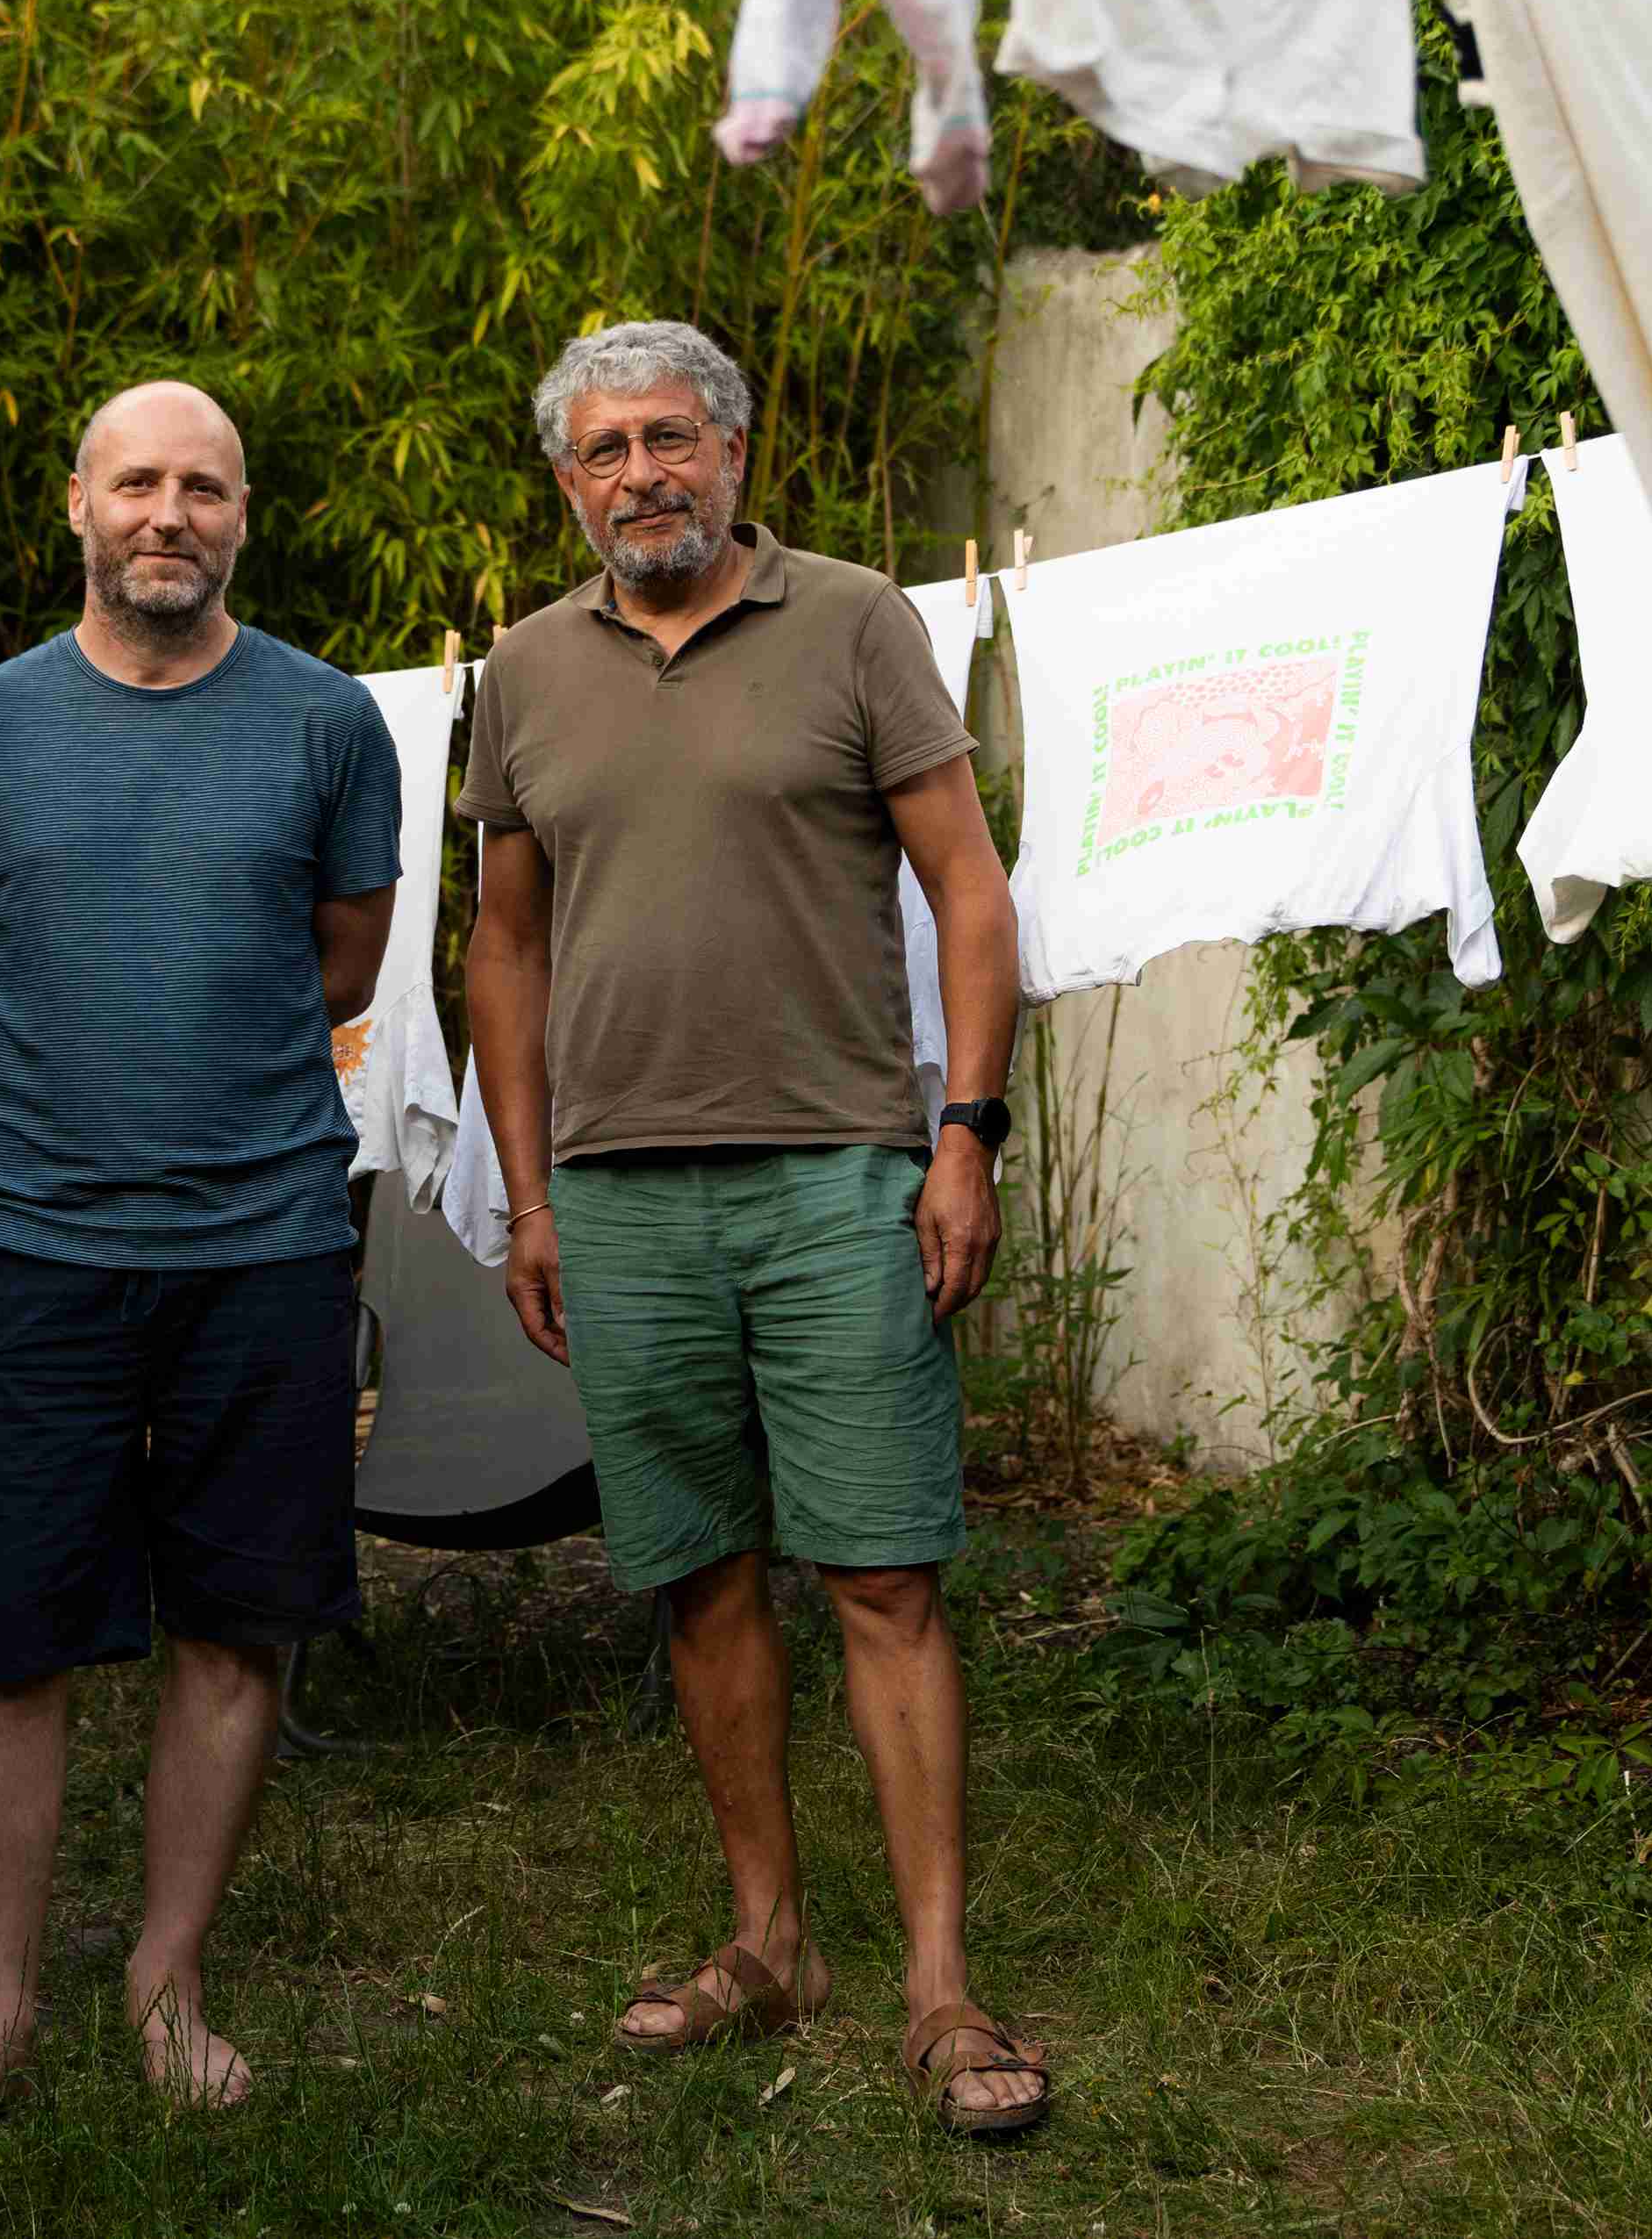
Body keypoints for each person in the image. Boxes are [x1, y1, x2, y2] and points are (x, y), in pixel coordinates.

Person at [458, 320, 1048, 2138]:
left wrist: (964, 1132)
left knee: (882, 1572)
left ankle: (941, 1985)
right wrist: (533, 1189)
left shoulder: (861, 620)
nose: (641, 474)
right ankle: (771, 1941)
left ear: (733, 447)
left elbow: (966, 883)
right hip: (625, 1196)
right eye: (604, 450)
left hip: (840, 1174)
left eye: (670, 438)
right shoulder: (525, 672)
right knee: (699, 1574)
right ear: (568, 481)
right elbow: (505, 942)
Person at [0, 378, 399, 2137]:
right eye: (141, 482)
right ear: (76, 503)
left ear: (247, 514)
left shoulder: (328, 725)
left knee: (234, 1625)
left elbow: (342, 963)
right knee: (18, 1636)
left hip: (266, 1242)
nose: (173, 513)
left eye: (208, 488)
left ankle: (166, 1981)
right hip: (40, 1248)